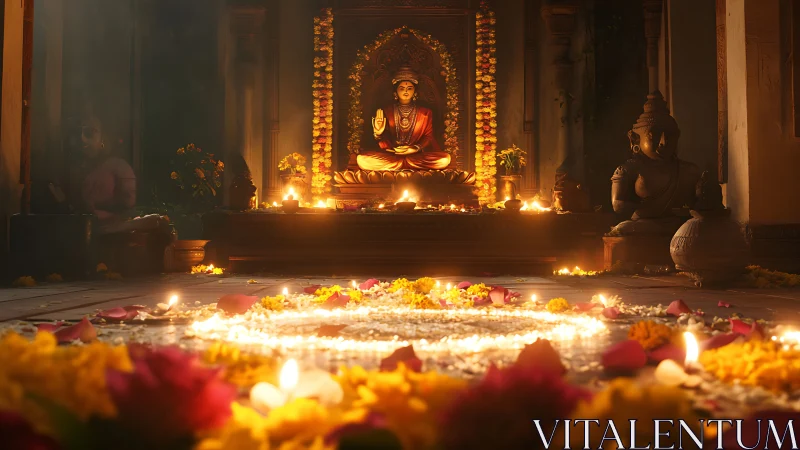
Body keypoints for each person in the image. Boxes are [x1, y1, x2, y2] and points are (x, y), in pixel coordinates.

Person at [356, 66, 451, 171]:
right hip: (393, 156)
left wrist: (415, 148)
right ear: (395, 92)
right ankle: (404, 165)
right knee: (362, 159)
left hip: (416, 156)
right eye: (402, 88)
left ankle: (400, 166)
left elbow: (428, 137)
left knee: (444, 159)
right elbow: (384, 142)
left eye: (409, 88)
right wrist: (378, 133)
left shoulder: (425, 113)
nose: (406, 91)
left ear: (415, 92)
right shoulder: (387, 111)